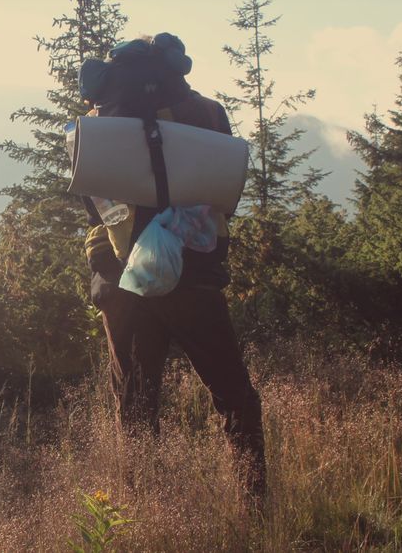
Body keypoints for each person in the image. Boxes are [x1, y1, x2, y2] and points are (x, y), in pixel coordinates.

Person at [78, 33, 266, 498]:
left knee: (135, 406)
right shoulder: (207, 114)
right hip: (193, 275)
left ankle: (141, 514)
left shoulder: (99, 125)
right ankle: (256, 507)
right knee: (234, 397)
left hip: (123, 279)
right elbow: (227, 192)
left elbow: (91, 204)